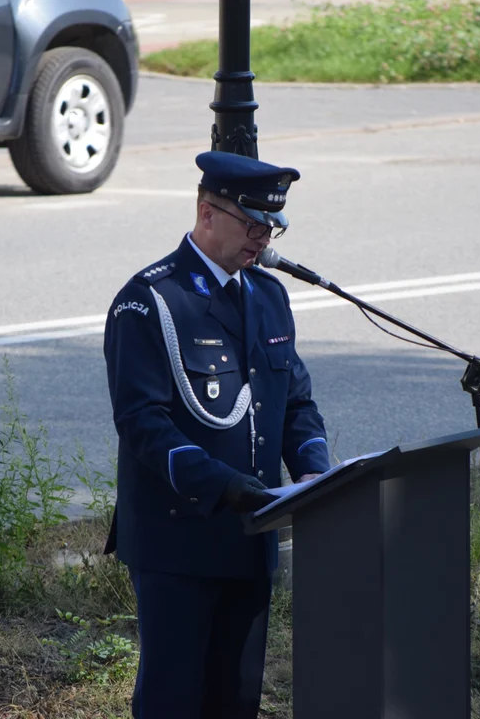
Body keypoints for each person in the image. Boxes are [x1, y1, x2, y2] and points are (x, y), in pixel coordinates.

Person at [102, 150, 331, 718]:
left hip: (252, 538)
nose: (263, 239)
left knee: (235, 701)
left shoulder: (270, 295)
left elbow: (295, 401)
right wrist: (226, 487)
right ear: (208, 213)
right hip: (179, 540)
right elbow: (142, 424)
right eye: (252, 224)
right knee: (173, 700)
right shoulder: (150, 299)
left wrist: (314, 473)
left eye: (272, 226)